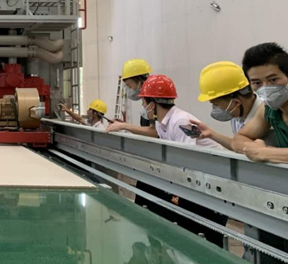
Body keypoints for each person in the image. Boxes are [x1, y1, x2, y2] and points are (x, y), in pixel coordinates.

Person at [109, 74, 228, 248]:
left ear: (152, 104)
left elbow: (189, 157)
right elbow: (156, 135)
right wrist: (124, 126)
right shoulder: (162, 121)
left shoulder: (181, 121)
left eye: (144, 102)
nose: (143, 107)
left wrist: (176, 190)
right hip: (199, 178)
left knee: (204, 232)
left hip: (213, 180)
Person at [192, 61, 270, 151]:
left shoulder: (269, 116)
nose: (215, 108)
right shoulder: (237, 114)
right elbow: (240, 146)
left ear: (236, 102)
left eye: (216, 104)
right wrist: (211, 134)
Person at [232, 43, 288, 163]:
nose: (266, 87)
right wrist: (256, 149)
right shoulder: (268, 109)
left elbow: (261, 153)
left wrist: (263, 153)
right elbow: (238, 139)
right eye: (257, 83)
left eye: (273, 79)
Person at [121, 59, 156, 129]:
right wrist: (123, 124)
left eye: (129, 86)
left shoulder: (152, 103)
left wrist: (125, 126)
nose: (130, 90)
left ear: (140, 82)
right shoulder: (144, 102)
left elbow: (154, 132)